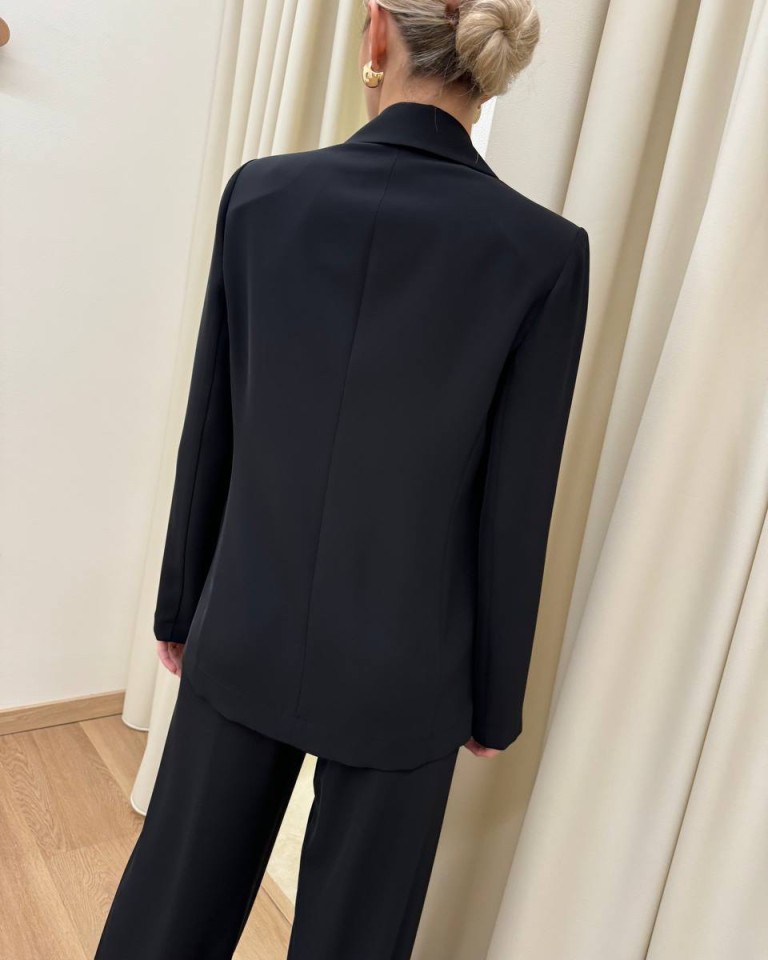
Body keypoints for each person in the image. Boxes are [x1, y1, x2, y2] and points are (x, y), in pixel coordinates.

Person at [94, 1, 590, 958]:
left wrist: (181, 606)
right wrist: (494, 695)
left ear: (376, 35)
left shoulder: (260, 197)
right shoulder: (542, 251)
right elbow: (515, 500)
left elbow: (213, 422)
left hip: (245, 622)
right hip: (409, 667)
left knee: (169, 918)